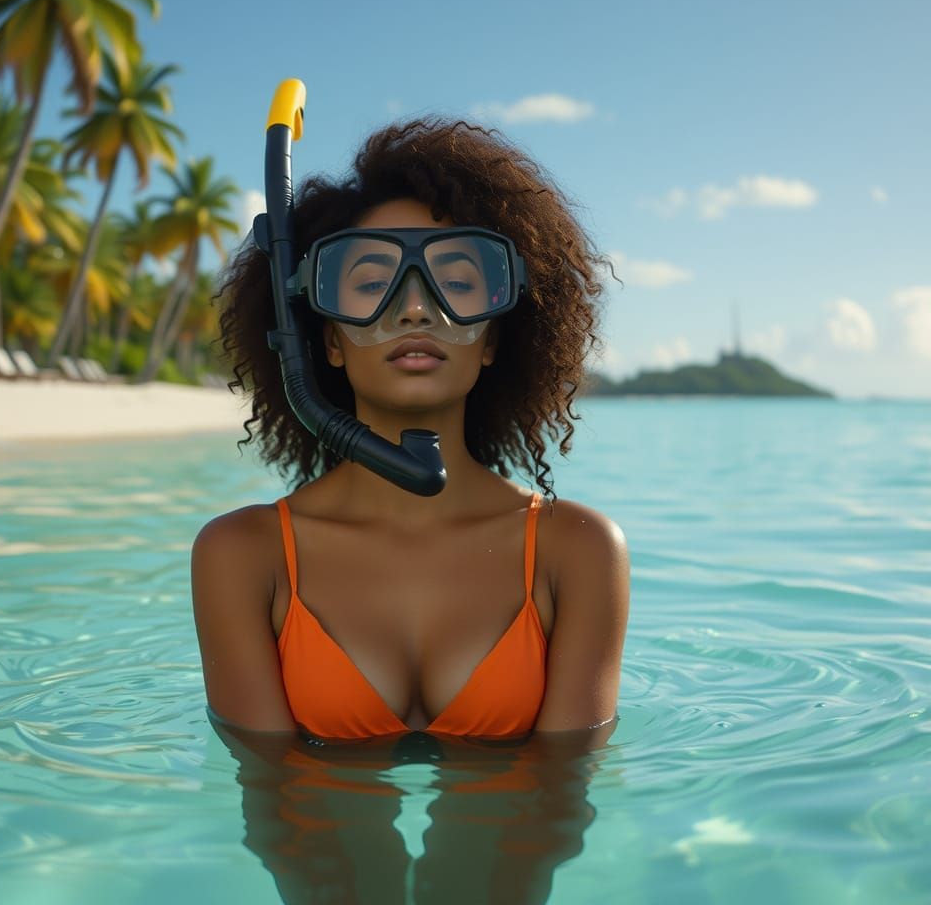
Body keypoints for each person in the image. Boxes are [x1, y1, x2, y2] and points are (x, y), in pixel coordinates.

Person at [191, 117, 630, 745]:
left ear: (492, 340)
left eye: (456, 281)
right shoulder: (243, 556)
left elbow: (559, 800)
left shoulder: (579, 552)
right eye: (371, 282)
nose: (416, 306)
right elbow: (275, 801)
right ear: (329, 341)